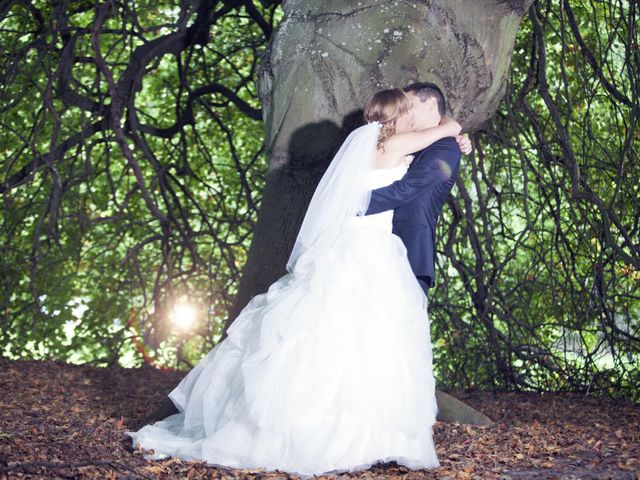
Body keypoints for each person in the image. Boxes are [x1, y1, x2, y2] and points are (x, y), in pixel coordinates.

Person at [125, 87, 465, 478]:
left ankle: (310, 425)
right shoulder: (403, 141)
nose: (409, 115)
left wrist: (453, 142)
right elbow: (441, 135)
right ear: (398, 116)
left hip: (348, 242)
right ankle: (355, 432)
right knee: (364, 335)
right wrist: (454, 128)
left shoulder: (363, 140)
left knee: (323, 333)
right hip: (370, 246)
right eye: (405, 111)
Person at [366, 82, 470, 293]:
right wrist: (451, 125)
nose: (404, 111)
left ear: (431, 103)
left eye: (409, 105)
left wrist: (353, 204)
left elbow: (409, 189)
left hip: (409, 250)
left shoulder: (446, 146)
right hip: (375, 245)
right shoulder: (405, 141)